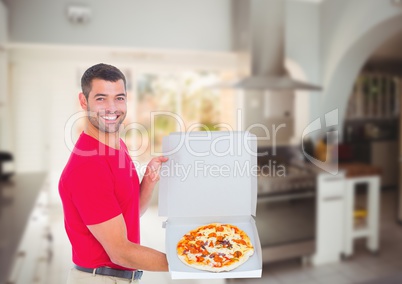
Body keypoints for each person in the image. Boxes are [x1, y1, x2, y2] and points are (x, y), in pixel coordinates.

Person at [59, 63, 169, 283]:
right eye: (101, 98)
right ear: (83, 101)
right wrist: (193, 260)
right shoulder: (88, 167)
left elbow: (130, 213)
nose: (112, 107)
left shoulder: (117, 147)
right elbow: (120, 252)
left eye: (119, 98)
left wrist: (148, 179)